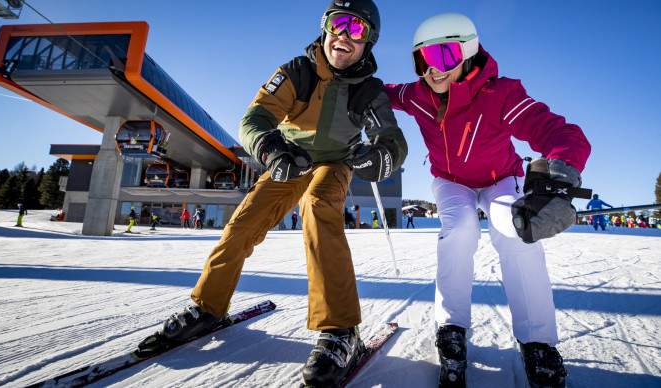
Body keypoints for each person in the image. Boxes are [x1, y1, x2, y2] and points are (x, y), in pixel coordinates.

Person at [137, 2, 407, 387]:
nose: (343, 35)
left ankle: (341, 329)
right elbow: (256, 117)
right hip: (292, 159)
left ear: (369, 42)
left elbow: (391, 138)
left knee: (317, 207)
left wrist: (384, 155)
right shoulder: (297, 71)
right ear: (324, 27)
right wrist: (268, 149)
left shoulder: (369, 90)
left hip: (334, 164)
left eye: (357, 29)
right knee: (243, 223)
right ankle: (207, 306)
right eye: (337, 23)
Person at [384, 13, 591, 387]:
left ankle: (538, 342)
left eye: (443, 56)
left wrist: (561, 171)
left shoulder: (500, 94)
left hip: (500, 179)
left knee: (514, 229)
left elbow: (554, 130)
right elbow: (381, 93)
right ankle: (451, 327)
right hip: (451, 182)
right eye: (422, 59)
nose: (433, 69)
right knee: (460, 228)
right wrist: (352, 85)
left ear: (468, 51)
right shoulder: (417, 95)